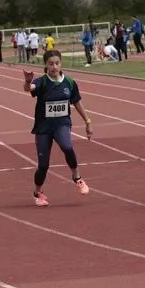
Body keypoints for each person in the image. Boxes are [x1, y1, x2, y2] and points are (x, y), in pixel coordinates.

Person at [22, 49, 92, 206]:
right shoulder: (42, 82)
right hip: (43, 128)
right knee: (43, 165)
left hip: (62, 123)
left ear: (61, 64)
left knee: (67, 146)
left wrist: (87, 121)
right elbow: (29, 88)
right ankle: (37, 192)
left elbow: (77, 102)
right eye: (51, 64)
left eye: (57, 63)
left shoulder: (69, 82)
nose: (54, 66)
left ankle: (77, 178)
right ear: (46, 65)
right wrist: (27, 81)